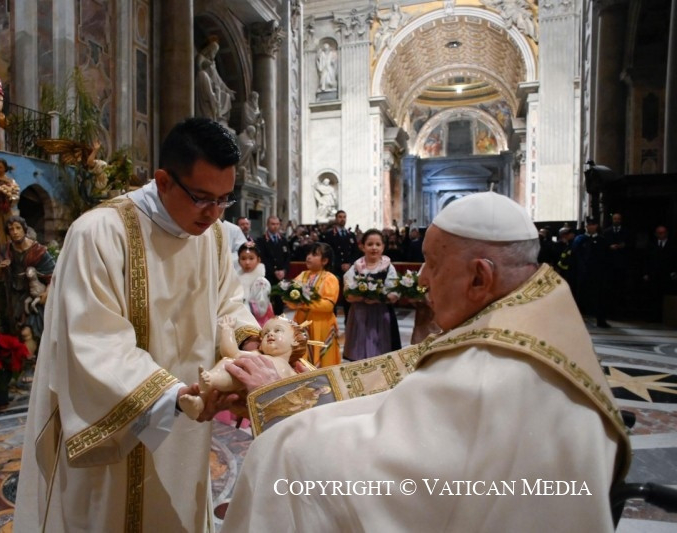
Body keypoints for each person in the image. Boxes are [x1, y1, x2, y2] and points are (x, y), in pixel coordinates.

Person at [222, 191, 630, 532]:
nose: (421, 279)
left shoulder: (492, 368)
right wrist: (287, 392)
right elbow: (400, 396)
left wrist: (280, 409)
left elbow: (381, 474)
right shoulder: (532, 315)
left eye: (432, 264)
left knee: (277, 457)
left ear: (480, 278)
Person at [13, 118, 261, 532]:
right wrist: (174, 396)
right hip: (120, 428)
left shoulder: (214, 237)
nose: (214, 213)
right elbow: (93, 340)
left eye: (224, 200)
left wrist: (249, 348)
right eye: (202, 198)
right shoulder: (99, 233)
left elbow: (228, 305)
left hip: (188, 427)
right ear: (163, 181)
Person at [178, 315, 307, 419]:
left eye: (277, 330)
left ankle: (208, 386)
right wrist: (227, 329)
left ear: (295, 340)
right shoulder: (256, 356)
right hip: (237, 384)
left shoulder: (294, 371)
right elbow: (231, 352)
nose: (270, 334)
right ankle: (200, 401)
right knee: (227, 363)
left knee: (225, 379)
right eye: (265, 333)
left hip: (272, 408)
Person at [0, 215, 55, 356]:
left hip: (35, 295)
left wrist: (47, 292)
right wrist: (1, 268)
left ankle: (30, 362)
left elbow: (53, 276)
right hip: (15, 296)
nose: (15, 232)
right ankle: (30, 360)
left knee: (28, 331)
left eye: (18, 228)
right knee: (18, 331)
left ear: (24, 229)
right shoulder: (7, 250)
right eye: (11, 229)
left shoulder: (38, 251)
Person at [343, 229, 401, 360]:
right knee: (359, 353)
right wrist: (361, 297)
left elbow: (394, 293)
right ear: (362, 247)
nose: (374, 248)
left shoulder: (388, 267)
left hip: (382, 314)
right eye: (370, 244)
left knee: (381, 353)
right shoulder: (356, 267)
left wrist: (379, 298)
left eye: (378, 244)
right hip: (359, 315)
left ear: (383, 247)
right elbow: (348, 293)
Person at [285, 242, 341, 367]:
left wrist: (305, 304)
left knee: (324, 360)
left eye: (314, 255)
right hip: (301, 323)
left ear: (325, 261)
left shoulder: (330, 278)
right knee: (301, 357)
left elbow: (328, 305)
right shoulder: (302, 275)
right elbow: (290, 297)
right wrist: (292, 301)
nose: (309, 257)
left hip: (321, 325)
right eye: (308, 254)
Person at [573, 217, 611, 327]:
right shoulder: (580, 239)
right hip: (582, 272)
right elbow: (575, 256)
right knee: (580, 296)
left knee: (599, 297)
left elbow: (606, 257)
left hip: (597, 273)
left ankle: (601, 320)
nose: (590, 227)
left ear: (596, 226)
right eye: (588, 225)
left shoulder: (602, 240)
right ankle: (577, 320)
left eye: (592, 225)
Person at [321, 209, 360, 315]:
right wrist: (339, 264)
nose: (342, 219)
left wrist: (349, 264)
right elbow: (328, 252)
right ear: (336, 219)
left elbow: (355, 252)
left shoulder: (350, 235)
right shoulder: (329, 235)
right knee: (332, 294)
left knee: (348, 295)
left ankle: (348, 320)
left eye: (344, 217)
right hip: (335, 269)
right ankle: (332, 318)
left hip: (348, 270)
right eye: (340, 217)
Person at [256, 215, 292, 315]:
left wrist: (284, 270)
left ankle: (280, 319)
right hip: (268, 275)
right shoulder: (261, 240)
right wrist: (274, 271)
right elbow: (262, 258)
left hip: (281, 276)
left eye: (277, 224)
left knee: (280, 301)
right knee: (267, 300)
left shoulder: (283, 240)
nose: (275, 226)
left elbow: (287, 257)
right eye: (272, 224)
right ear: (267, 225)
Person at [196, 39, 235, 124]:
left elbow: (218, 79)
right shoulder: (201, 57)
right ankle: (215, 112)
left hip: (213, 85)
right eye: (214, 51)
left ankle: (218, 114)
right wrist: (207, 64)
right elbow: (198, 68)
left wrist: (228, 90)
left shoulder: (213, 63)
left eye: (215, 52)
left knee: (227, 96)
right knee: (215, 91)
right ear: (209, 49)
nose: (214, 54)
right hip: (204, 81)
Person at [643, 225, 677, 322]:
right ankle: (654, 316)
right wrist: (646, 273)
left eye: (663, 233)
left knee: (665, 296)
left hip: (667, 275)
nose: (661, 235)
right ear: (656, 234)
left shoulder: (672, 245)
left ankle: (665, 316)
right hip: (654, 274)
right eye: (659, 233)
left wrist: (674, 272)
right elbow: (647, 260)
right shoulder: (651, 245)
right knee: (653, 296)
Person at [236, 242, 274, 326]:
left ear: (258, 260)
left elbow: (261, 310)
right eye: (243, 258)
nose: (247, 262)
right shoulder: (236, 279)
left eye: (251, 258)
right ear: (238, 261)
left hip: (258, 323)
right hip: (240, 320)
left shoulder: (261, 282)